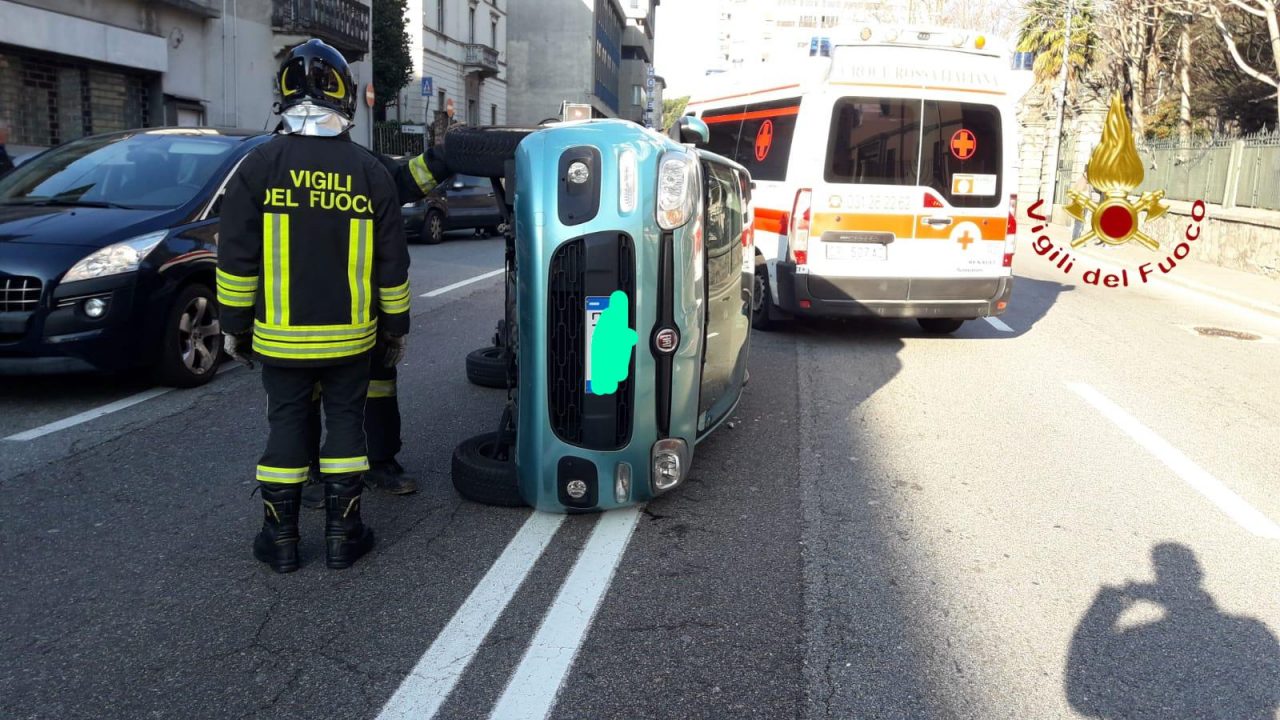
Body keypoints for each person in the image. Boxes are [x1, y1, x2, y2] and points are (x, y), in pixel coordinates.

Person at [217, 38, 412, 573]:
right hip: (352, 338)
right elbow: (392, 267)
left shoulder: (258, 168)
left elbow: (235, 261)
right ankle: (342, 536)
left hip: (279, 339)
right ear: (345, 95)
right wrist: (395, 329)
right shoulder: (369, 172)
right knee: (346, 425)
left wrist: (233, 327)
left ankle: (279, 544)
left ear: (282, 93)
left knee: (285, 426)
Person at [299, 145, 450, 508]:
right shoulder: (274, 164)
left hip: (363, 303)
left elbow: (404, 180)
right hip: (301, 306)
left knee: (378, 386)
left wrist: (449, 155)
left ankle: (378, 462)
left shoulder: (363, 163)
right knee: (305, 392)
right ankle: (309, 473)